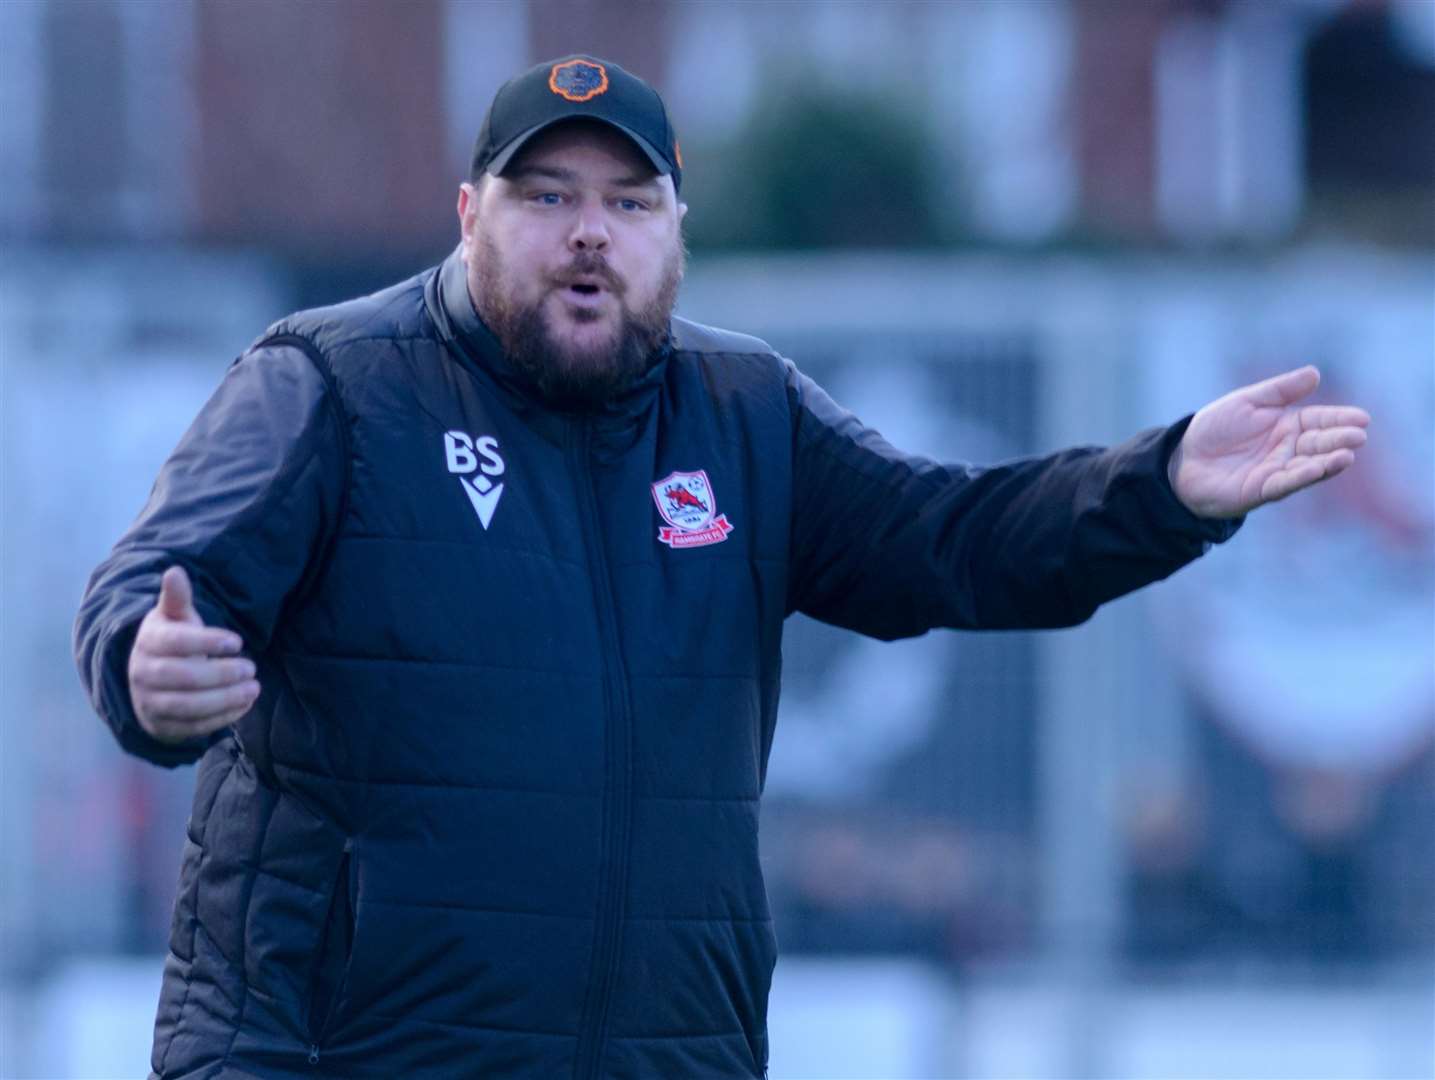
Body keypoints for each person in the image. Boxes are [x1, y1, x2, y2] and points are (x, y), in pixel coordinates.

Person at [74, 54, 1370, 1080]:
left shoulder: (746, 413)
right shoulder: (332, 384)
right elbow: (152, 586)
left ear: (675, 230)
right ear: (470, 216)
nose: (591, 233)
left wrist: (1165, 486)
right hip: (340, 1058)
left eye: (628, 203)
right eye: (549, 197)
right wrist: (147, 666)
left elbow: (957, 541)